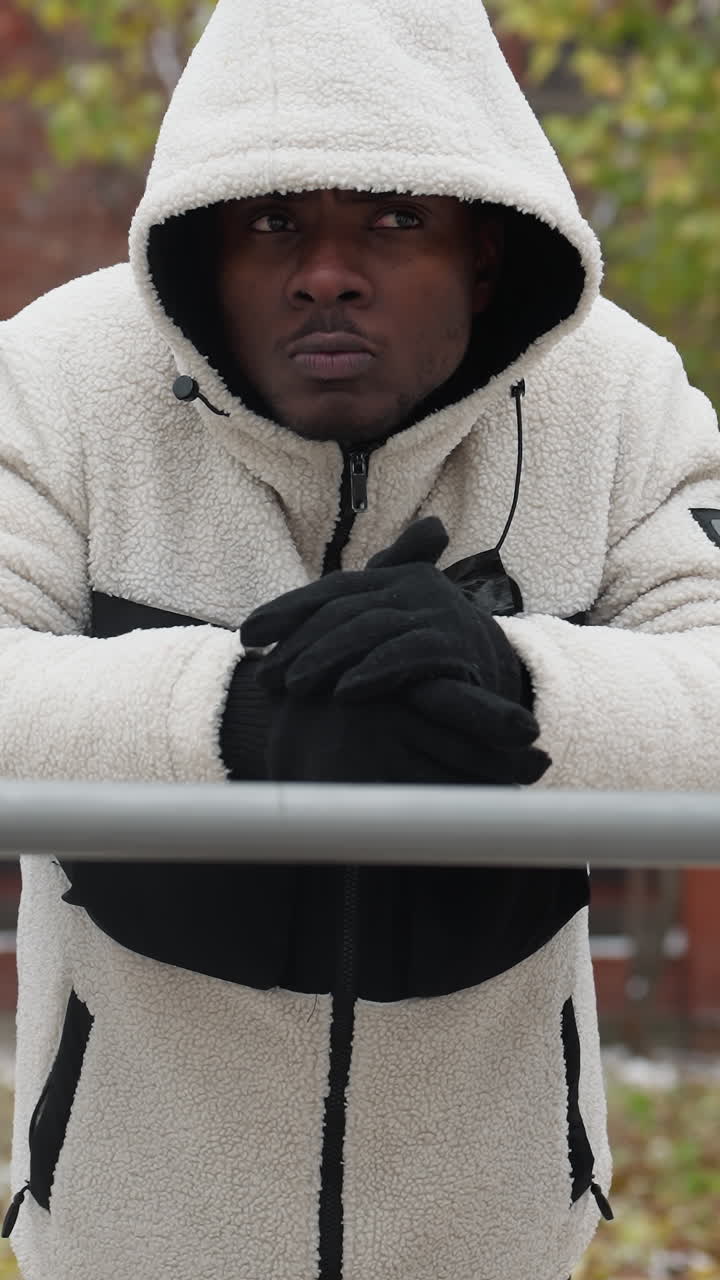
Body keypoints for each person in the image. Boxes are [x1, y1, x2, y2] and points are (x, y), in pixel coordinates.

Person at [0, 0, 718, 1276]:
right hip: (130, 1227)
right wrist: (237, 716)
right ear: (203, 243)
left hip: (492, 1230)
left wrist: (516, 683)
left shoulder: (618, 399)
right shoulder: (55, 381)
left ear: (488, 248)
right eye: (274, 218)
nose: (326, 268)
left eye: (396, 217)